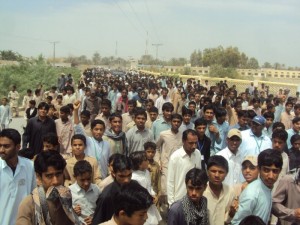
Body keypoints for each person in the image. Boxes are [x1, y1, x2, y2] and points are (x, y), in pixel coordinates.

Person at [16, 151, 81, 225]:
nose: (55, 181)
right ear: (39, 177)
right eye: (49, 176)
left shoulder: (65, 199)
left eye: (58, 174)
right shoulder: (29, 204)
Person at [231, 149, 283, 225]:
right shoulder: (252, 193)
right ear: (259, 169)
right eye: (266, 170)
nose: (271, 176)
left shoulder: (267, 188)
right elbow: (236, 222)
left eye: (275, 171)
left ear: (280, 171)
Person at [0, 129, 36, 225]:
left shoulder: (29, 166)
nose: (1, 150)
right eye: (0, 145)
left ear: (18, 147)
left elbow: (34, 194)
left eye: (6, 146)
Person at [92, 154, 133, 225]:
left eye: (129, 175)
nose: (126, 180)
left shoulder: (133, 186)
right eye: (121, 176)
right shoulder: (106, 197)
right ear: (113, 173)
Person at [73, 101, 110, 178]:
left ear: (104, 131)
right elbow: (77, 127)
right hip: (89, 177)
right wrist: (76, 111)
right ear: (91, 130)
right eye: (96, 129)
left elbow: (109, 162)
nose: (98, 132)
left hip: (103, 176)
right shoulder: (88, 141)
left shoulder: (107, 144)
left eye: (101, 129)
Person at [167, 129, 202, 205]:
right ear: (183, 141)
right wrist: (171, 203)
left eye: (196, 143)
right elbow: (170, 182)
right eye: (191, 143)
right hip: (179, 199)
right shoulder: (175, 157)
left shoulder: (198, 153)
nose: (194, 146)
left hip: (194, 198)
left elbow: (199, 176)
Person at [155, 114, 183, 200]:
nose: (176, 123)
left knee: (177, 188)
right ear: (171, 122)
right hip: (166, 165)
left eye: (178, 122)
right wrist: (158, 162)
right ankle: (165, 211)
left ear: (181, 123)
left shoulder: (183, 135)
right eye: (174, 121)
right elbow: (156, 147)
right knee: (165, 189)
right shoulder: (163, 134)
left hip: (179, 165)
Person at [130, 151, 162, 225]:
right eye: (146, 160)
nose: (148, 161)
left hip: (150, 205)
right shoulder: (133, 178)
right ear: (139, 164)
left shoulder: (146, 172)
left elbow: (149, 186)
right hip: (140, 208)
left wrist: (154, 195)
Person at [203, 155, 236, 225]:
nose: (217, 175)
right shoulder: (202, 191)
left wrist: (231, 214)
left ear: (226, 173)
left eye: (221, 172)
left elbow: (228, 220)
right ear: (207, 172)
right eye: (213, 171)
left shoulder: (230, 192)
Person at [69, 160, 101, 225]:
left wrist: (94, 219)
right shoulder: (69, 192)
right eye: (82, 180)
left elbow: (101, 210)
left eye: (88, 179)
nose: (86, 183)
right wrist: (73, 212)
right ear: (75, 177)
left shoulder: (96, 189)